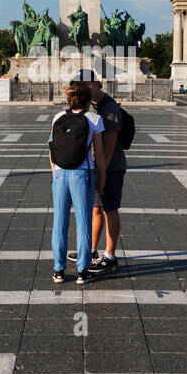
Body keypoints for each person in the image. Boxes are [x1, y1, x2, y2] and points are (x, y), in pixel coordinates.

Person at [49, 80, 105, 285]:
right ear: (88, 99)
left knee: (59, 222)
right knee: (83, 223)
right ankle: (82, 270)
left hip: (61, 174)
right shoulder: (95, 119)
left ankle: (58, 270)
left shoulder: (58, 117)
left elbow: (51, 147)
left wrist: (55, 172)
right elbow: (98, 154)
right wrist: (102, 178)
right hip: (83, 174)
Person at [75, 69, 128, 277]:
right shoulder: (95, 106)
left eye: (87, 85)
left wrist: (102, 172)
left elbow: (109, 145)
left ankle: (110, 255)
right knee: (96, 208)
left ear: (96, 83)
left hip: (111, 167)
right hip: (99, 167)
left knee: (110, 209)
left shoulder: (109, 107)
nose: (84, 89)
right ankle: (91, 249)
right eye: (80, 86)